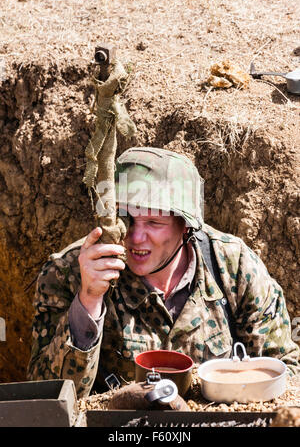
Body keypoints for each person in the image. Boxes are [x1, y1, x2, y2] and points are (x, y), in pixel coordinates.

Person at [27, 147, 300, 398]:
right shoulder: (68, 273)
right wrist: (87, 303)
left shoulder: (233, 266)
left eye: (153, 222)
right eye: (126, 220)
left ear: (186, 226)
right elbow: (46, 401)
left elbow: (285, 374)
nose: (135, 237)